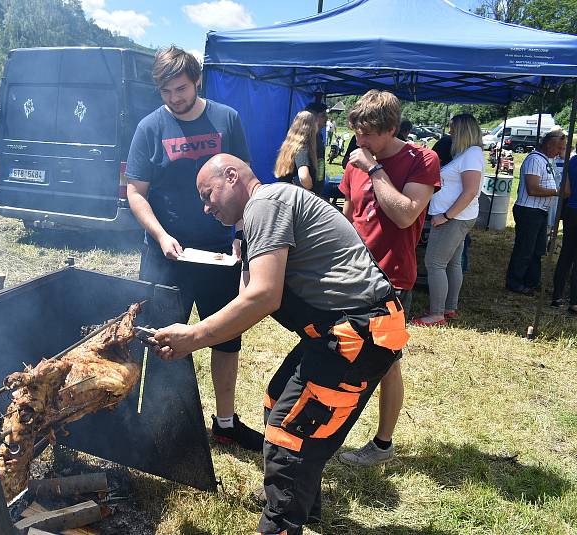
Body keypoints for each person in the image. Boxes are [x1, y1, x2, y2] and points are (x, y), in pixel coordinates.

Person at [151, 153, 408, 534]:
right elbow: (248, 297)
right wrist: (243, 255)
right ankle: (301, 503)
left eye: (209, 195)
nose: (206, 208)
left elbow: (264, 297)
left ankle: (280, 524)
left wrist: (192, 336)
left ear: (233, 177)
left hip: (359, 333)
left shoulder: (265, 204)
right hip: (332, 332)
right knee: (278, 403)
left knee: (291, 437)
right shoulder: (257, 217)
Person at [125, 45, 262, 451]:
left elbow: (245, 181)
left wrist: (240, 233)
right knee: (158, 337)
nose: (174, 99)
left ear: (196, 81)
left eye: (181, 89)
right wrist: (160, 235)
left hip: (220, 253)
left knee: (226, 339)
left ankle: (224, 422)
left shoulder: (225, 119)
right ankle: (159, 422)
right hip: (165, 256)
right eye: (166, 92)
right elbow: (135, 192)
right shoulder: (150, 127)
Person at [337, 90, 440, 467]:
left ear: (392, 129)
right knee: (341, 353)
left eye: (369, 135)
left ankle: (382, 445)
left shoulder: (422, 160)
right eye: (357, 134)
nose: (360, 143)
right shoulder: (356, 162)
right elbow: (347, 219)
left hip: (392, 279)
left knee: (385, 362)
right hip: (351, 276)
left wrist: (374, 170)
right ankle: (330, 430)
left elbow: (405, 215)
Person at [412, 114, 482, 326]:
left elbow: (470, 191)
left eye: (453, 129)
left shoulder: (471, 154)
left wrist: (445, 215)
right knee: (452, 263)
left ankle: (436, 314)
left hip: (453, 218)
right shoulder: (468, 154)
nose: (450, 133)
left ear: (463, 131)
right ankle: (448, 307)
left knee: (434, 263)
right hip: (458, 217)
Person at [505, 129, 567, 295]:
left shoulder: (546, 160)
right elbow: (532, 188)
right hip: (529, 210)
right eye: (559, 148)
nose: (560, 152)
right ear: (548, 145)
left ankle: (531, 281)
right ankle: (515, 282)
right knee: (525, 248)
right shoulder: (534, 160)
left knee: (537, 249)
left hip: (539, 210)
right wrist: (556, 192)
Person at [551, 135, 577, 315]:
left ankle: (557, 296)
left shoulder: (572, 161)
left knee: (566, 254)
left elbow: (566, 189)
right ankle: (574, 301)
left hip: (571, 211)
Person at [274, 111, 320, 192]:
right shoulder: (302, 148)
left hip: (285, 194)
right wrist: (311, 188)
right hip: (297, 199)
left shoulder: (289, 146)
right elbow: (304, 176)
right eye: (316, 123)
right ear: (310, 127)